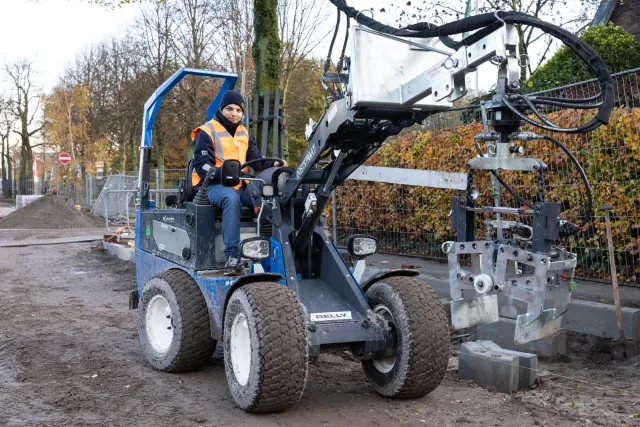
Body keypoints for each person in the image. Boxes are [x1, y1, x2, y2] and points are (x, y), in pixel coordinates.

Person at [191, 90, 285, 272]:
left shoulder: (244, 133)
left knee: (268, 200)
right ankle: (232, 256)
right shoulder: (206, 131)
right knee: (231, 200)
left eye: (238, 110)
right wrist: (220, 174)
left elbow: (255, 158)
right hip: (212, 185)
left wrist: (272, 164)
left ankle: (268, 251)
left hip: (239, 184)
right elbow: (202, 165)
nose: (234, 114)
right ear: (221, 109)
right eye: (229, 109)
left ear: (243, 113)